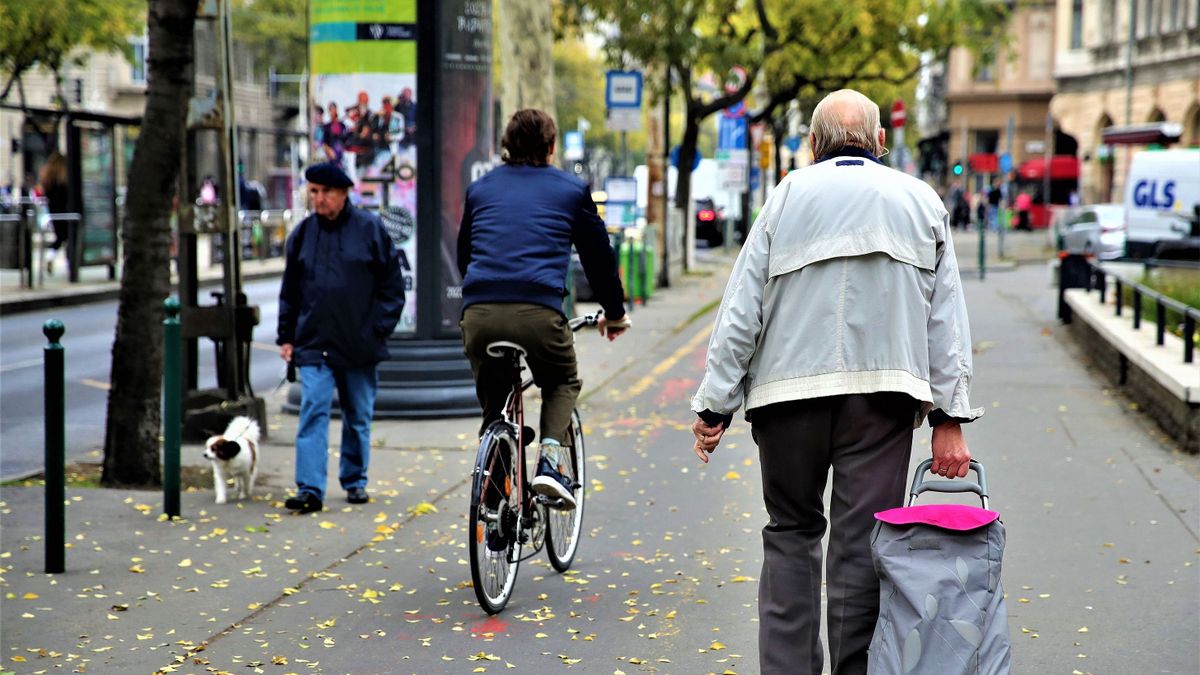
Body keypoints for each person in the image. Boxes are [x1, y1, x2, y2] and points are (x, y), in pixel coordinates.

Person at [689, 89, 980, 675]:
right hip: (882, 401)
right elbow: (945, 321)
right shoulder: (920, 202)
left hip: (787, 401)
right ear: (880, 143)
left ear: (814, 145)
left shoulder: (786, 197)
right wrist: (949, 421)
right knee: (860, 553)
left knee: (791, 535)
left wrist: (715, 404)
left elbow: (742, 310)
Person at [457, 108, 631, 510]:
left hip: (479, 313)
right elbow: (598, 259)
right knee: (560, 382)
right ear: (551, 148)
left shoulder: (480, 189)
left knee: (496, 403)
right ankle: (550, 465)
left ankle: (495, 495)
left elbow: (464, 254)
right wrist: (614, 312)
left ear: (506, 146)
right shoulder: (570, 189)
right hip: (538, 312)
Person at [276, 161, 406, 514]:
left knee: (357, 414)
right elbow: (290, 292)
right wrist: (286, 336)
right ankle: (310, 488)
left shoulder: (369, 229)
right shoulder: (303, 234)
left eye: (325, 192)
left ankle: (354, 480)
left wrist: (377, 329)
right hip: (314, 342)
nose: (318, 199)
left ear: (344, 192)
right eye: (313, 192)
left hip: (359, 341)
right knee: (313, 409)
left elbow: (392, 287)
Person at [38, 153, 70, 275]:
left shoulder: (48, 177)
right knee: (66, 237)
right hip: (66, 212)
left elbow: (46, 194)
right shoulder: (63, 177)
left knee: (60, 237)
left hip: (53, 211)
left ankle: (50, 257)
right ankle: (68, 262)